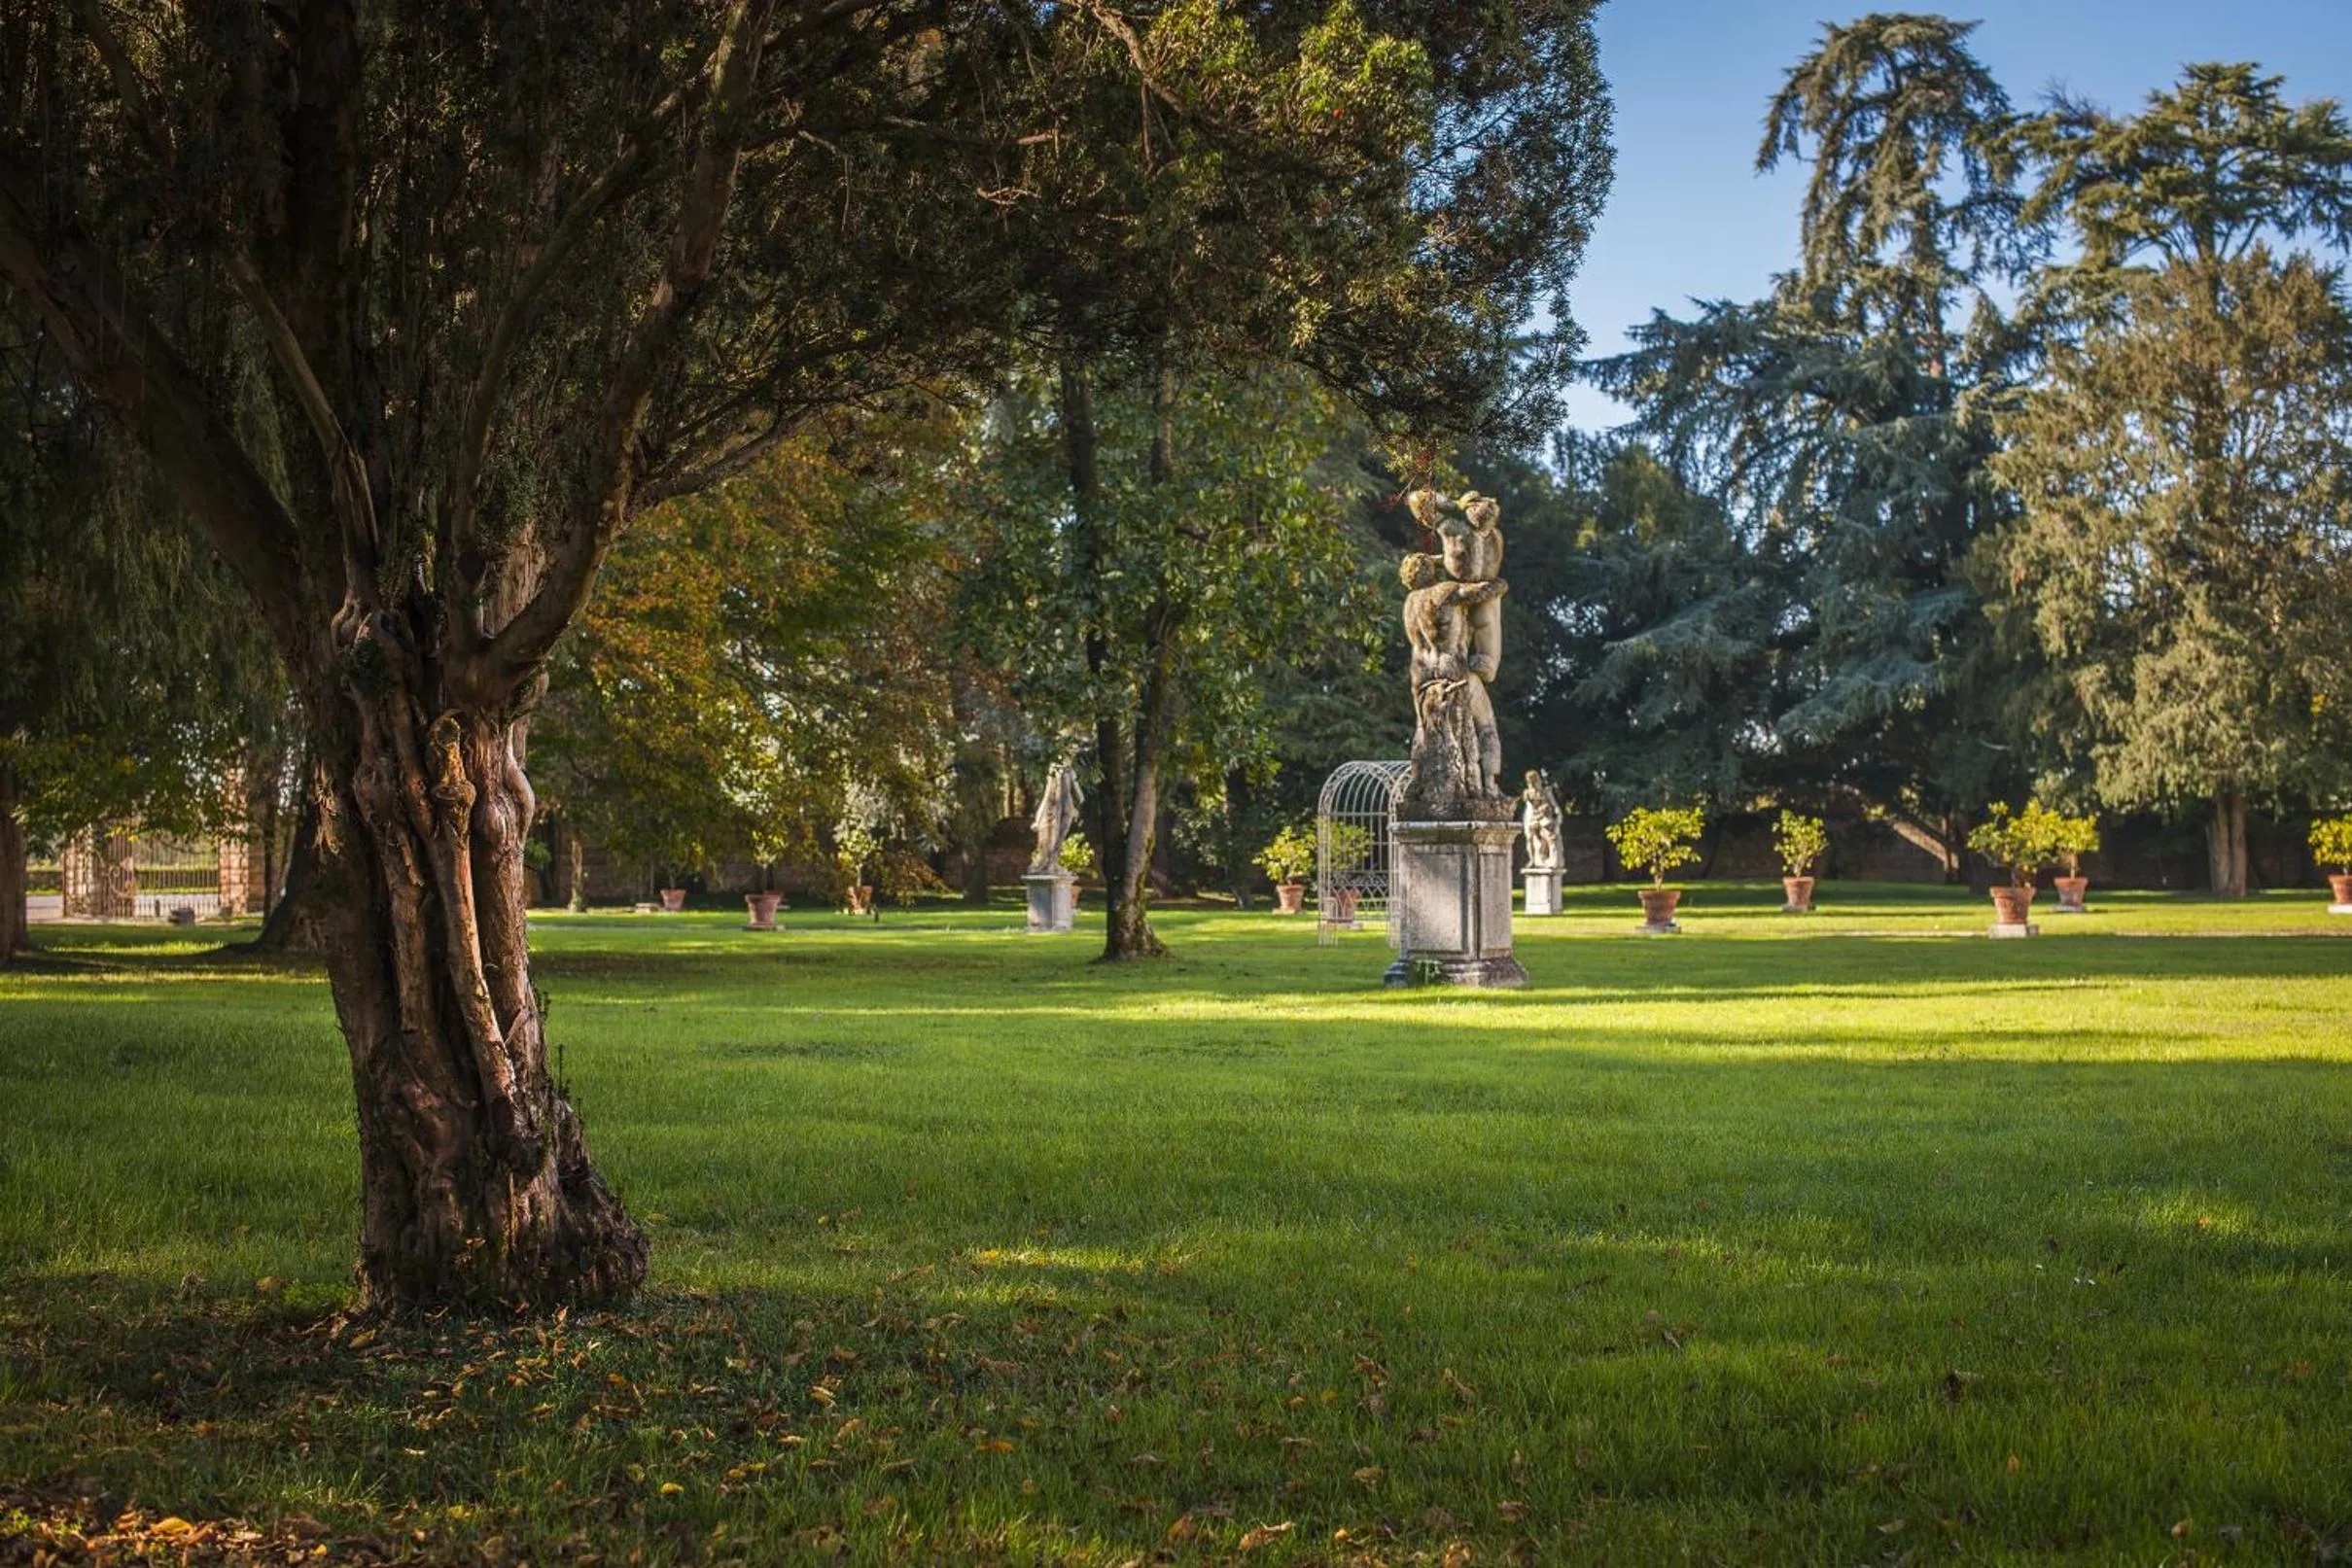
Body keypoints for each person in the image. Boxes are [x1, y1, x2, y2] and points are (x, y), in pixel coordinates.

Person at [1400, 552, 1507, 802]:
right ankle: (1484, 786)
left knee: (1423, 729)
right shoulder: (1444, 591)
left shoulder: (1410, 603)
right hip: (1450, 665)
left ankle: (1419, 781)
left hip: (1421, 670)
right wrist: (1452, 561)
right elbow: (1489, 589)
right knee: (1481, 725)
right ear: (1430, 569)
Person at [1028, 761, 1083, 875]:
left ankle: (1053, 862)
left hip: (1067, 807)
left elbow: (1079, 794)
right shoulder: (1054, 770)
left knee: (1061, 835)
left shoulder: (1070, 771)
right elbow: (1047, 795)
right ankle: (1046, 863)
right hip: (1055, 808)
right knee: (1052, 835)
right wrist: (1038, 820)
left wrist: (1078, 796)